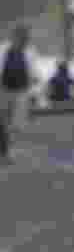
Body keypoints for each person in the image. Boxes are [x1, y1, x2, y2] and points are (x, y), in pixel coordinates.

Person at [0, 24, 41, 163]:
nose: (24, 40)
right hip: (3, 89)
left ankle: (7, 150)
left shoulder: (31, 52)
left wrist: (35, 96)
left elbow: (34, 74)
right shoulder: (3, 49)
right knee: (4, 123)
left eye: (26, 38)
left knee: (17, 125)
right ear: (15, 37)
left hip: (21, 91)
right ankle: (6, 152)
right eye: (22, 37)